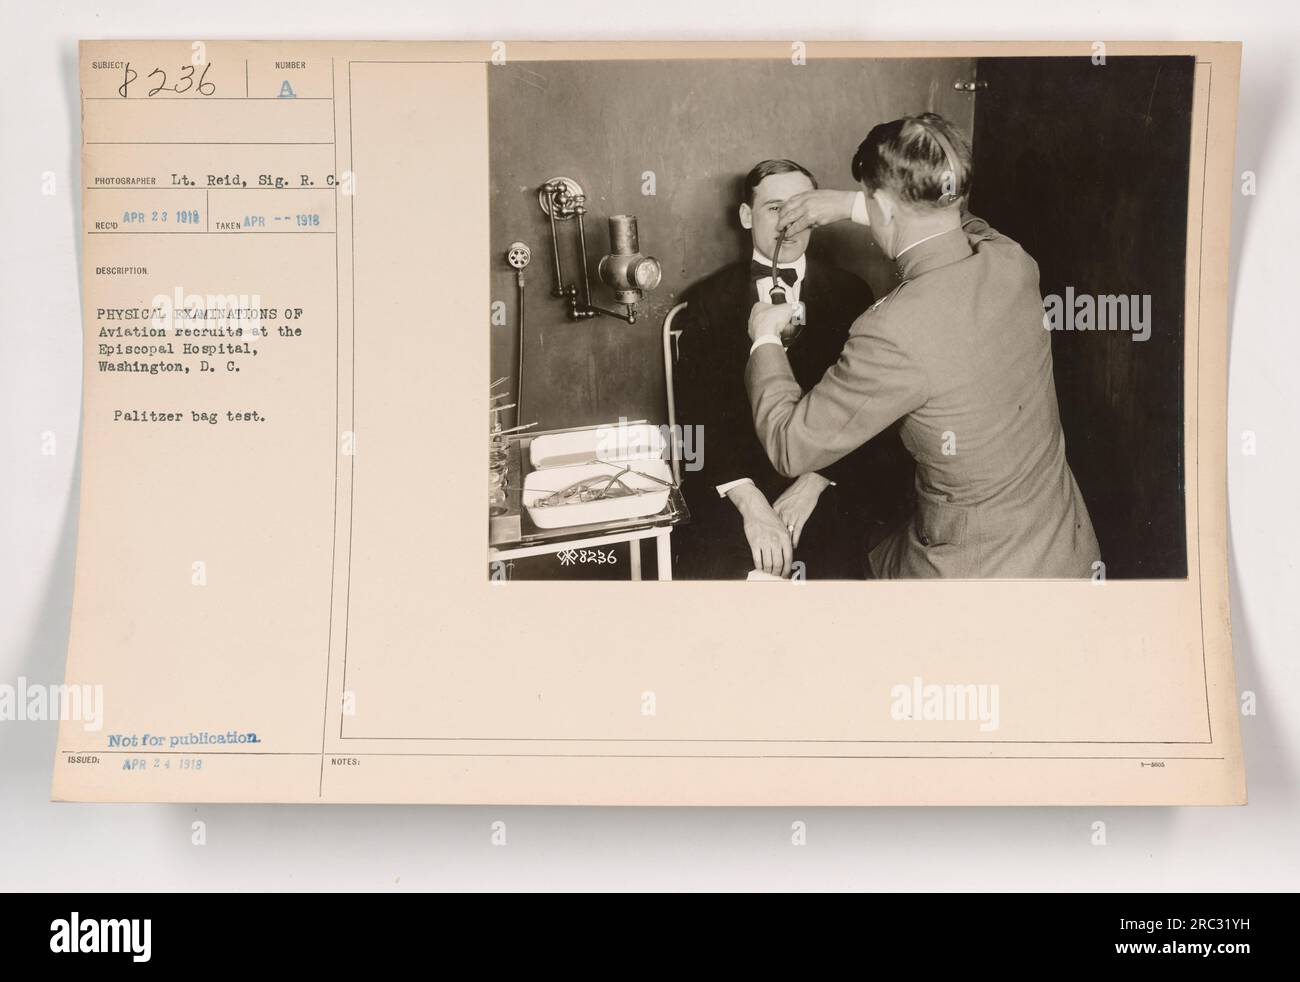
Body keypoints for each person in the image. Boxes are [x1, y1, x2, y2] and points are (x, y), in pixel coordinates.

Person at [745, 114, 1101, 578]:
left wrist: (765, 338)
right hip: (1066, 546)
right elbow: (967, 224)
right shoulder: (1012, 261)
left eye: (873, 205)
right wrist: (856, 203)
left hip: (975, 576)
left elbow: (789, 445)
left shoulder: (892, 329)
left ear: (887, 210)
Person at [674, 158, 910, 579]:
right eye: (774, 208)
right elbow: (699, 417)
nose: (790, 223)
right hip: (737, 488)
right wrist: (752, 506)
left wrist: (814, 484)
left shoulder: (852, 293)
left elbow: (868, 409)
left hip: (830, 482)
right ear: (746, 216)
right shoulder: (707, 302)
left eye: (801, 209)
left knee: (838, 581)